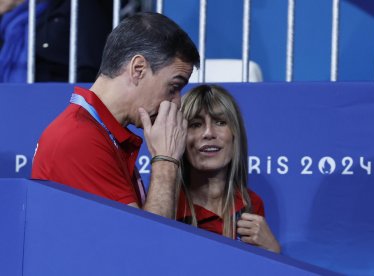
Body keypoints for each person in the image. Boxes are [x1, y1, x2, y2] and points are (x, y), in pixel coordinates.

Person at [31, 12, 200, 219]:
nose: (176, 102)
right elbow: (148, 243)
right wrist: (166, 160)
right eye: (174, 87)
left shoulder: (100, 133)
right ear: (138, 69)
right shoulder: (79, 139)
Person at [176, 84, 281, 253]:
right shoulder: (167, 207)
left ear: (235, 135)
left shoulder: (251, 204)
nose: (209, 133)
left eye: (220, 122)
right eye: (195, 124)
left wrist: (273, 252)